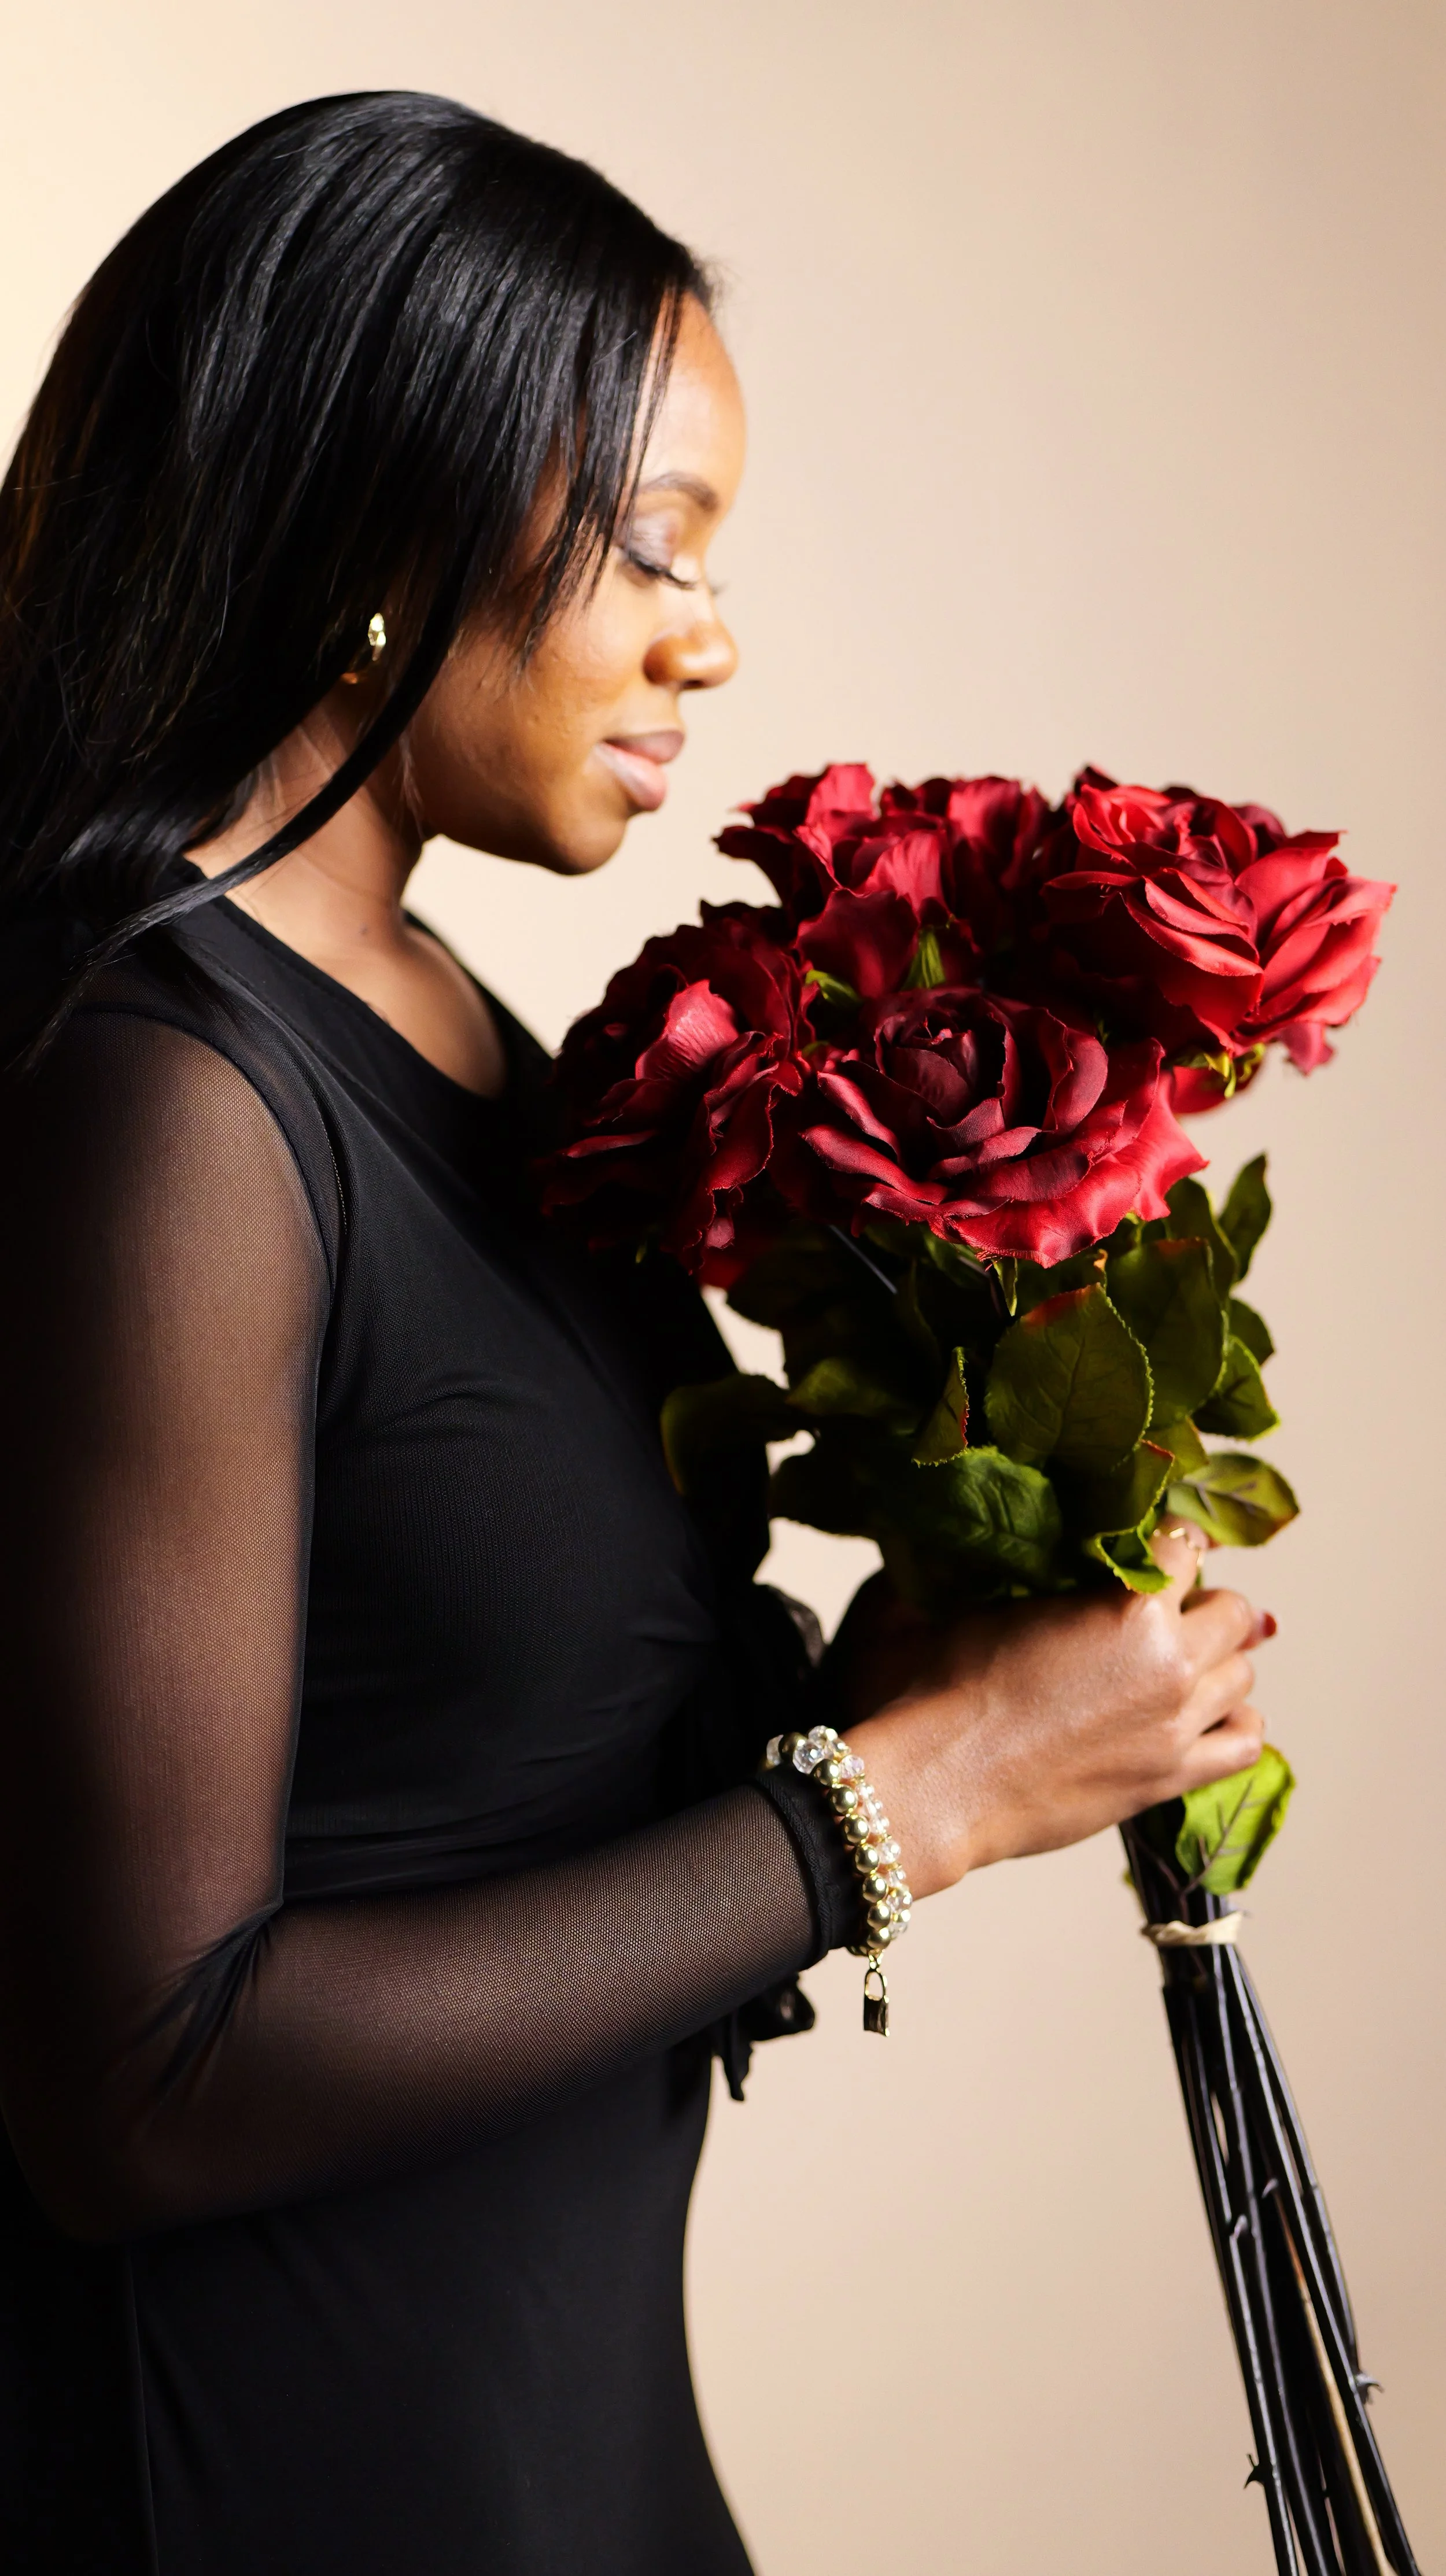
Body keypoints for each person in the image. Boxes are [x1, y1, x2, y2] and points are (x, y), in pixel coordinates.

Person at [0, 91, 1268, 2576]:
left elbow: (489, 1793)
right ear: (386, 517)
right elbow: (135, 2085)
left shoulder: (460, 1034)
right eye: (654, 539)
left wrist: (910, 1685)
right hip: (269, 2489)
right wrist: (912, 1808)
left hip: (563, 2462)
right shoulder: (171, 1109)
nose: (712, 632)